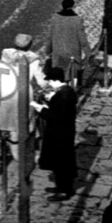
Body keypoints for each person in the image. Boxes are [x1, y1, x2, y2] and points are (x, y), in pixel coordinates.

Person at [31, 67, 79, 200]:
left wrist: (40, 109)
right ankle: (60, 186)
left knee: (62, 162)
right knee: (59, 162)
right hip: (62, 132)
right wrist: (50, 100)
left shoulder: (64, 96)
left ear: (55, 80)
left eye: (50, 82)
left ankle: (65, 190)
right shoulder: (66, 92)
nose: (49, 84)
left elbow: (58, 116)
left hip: (61, 134)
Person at [0, 33, 44, 159]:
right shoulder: (33, 59)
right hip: (24, 92)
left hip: (8, 91)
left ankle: (13, 151)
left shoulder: (5, 53)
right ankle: (27, 152)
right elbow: (40, 80)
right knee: (26, 121)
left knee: (10, 123)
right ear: (30, 45)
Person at [43, 0, 91, 85]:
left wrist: (48, 51)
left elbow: (49, 36)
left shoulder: (55, 18)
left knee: (59, 75)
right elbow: (82, 40)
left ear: (62, 5)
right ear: (73, 6)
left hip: (58, 52)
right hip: (73, 53)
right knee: (72, 75)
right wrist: (88, 54)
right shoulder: (77, 20)